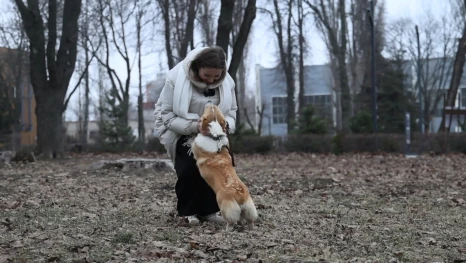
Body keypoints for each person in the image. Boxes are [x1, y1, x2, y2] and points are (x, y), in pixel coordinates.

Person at [154, 46, 237, 225]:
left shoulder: (227, 82)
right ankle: (187, 212)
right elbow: (166, 115)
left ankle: (209, 210)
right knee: (189, 170)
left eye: (216, 76)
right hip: (181, 130)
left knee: (217, 169)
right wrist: (195, 126)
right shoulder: (176, 77)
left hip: (215, 132)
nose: (211, 80)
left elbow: (232, 111)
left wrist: (225, 125)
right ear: (197, 67)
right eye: (207, 75)